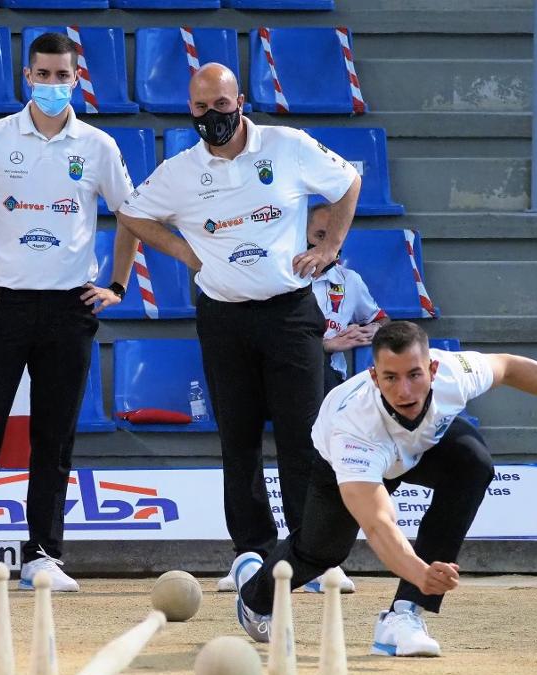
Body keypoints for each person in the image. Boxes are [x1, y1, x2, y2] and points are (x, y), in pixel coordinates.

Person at [231, 321, 537, 655]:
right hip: (345, 460)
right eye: (391, 378)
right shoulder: (353, 429)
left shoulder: (453, 374)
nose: (405, 390)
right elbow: (379, 525)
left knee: (472, 464)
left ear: (432, 368)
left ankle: (404, 614)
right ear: (374, 377)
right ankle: (254, 594)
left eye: (415, 375)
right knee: (322, 552)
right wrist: (421, 571)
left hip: (421, 447)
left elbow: (508, 366)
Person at [117, 64, 363, 599]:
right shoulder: (180, 170)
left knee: (307, 439)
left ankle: (313, 554)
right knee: (239, 440)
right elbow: (133, 213)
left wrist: (329, 249)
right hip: (224, 318)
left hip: (291, 314)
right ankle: (250, 551)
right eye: (200, 109)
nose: (212, 118)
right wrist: (186, 252)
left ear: (241, 100)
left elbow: (348, 183)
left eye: (221, 106)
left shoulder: (288, 145)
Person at [0, 32, 137, 594]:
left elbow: (131, 214)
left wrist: (116, 283)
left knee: (54, 439)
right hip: (0, 305)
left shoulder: (98, 146)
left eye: (61, 75)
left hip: (70, 308)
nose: (51, 84)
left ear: (76, 78)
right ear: (26, 77)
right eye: (42, 75)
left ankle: (42, 555)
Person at [307, 204, 388, 394]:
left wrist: (374, 329)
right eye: (320, 236)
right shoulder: (282, 279)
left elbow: (380, 319)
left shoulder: (349, 280)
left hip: (327, 376)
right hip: (283, 371)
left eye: (333, 238)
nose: (326, 246)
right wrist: (325, 346)